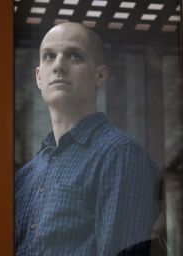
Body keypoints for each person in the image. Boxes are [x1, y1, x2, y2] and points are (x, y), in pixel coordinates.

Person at [15, 22, 159, 256]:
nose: (59, 65)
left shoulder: (120, 154)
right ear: (39, 77)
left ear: (100, 75)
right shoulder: (25, 177)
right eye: (49, 56)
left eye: (74, 56)